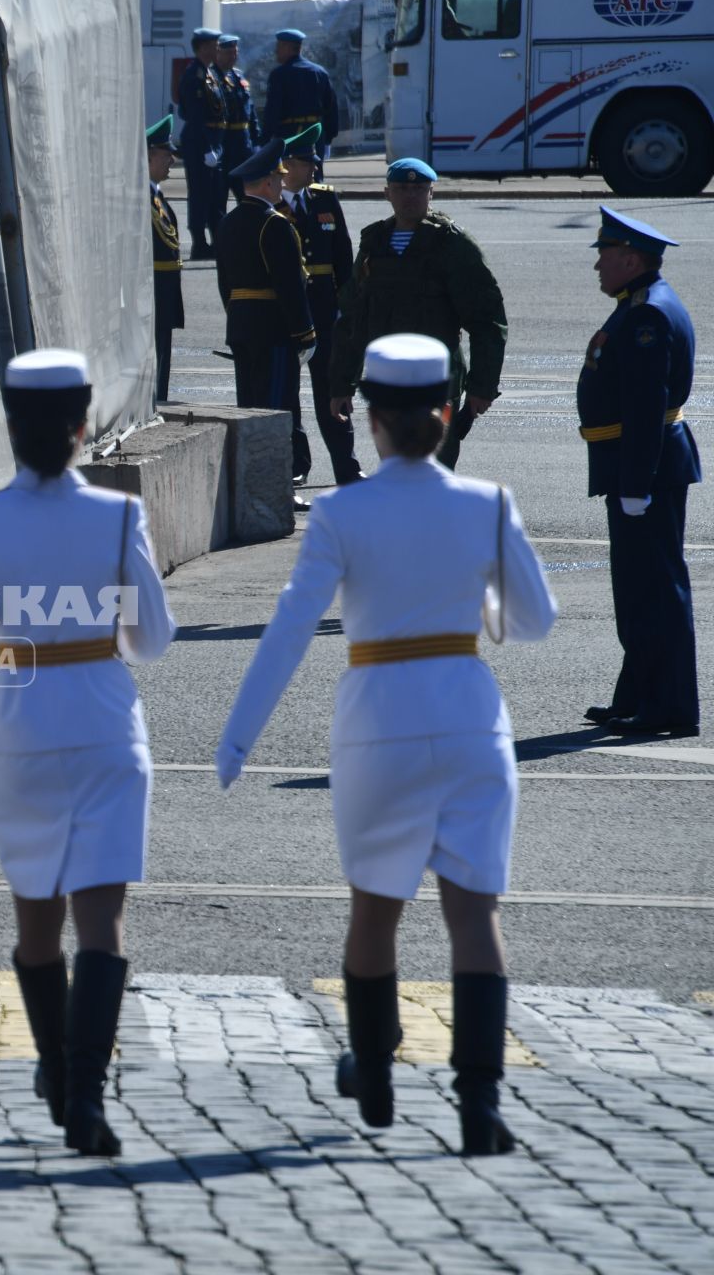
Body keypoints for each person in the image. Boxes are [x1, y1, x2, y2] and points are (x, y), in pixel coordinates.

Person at [215, 334, 557, 1157]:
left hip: (379, 723)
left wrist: (237, 739)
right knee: (474, 916)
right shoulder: (488, 501)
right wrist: (484, 615)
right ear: (446, 413)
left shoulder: (342, 510)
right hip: (471, 716)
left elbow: (291, 631)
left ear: (370, 421)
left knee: (376, 909)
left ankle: (373, 1072)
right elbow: (536, 620)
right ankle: (480, 1104)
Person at [0, 349, 175, 1155]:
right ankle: (86, 1096)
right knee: (103, 924)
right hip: (101, 717)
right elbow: (154, 637)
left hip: (19, 724)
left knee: (37, 920)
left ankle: (57, 1066)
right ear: (81, 423)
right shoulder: (115, 514)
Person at [578, 209, 701, 737]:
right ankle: (636, 696)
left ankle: (668, 706)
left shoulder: (647, 315)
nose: (598, 267)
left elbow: (647, 409)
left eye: (604, 256)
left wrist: (634, 487)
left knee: (654, 592)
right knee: (637, 590)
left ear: (630, 258)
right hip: (637, 466)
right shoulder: (639, 304)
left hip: (643, 471)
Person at [331, 159, 508, 472]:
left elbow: (486, 319)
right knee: (395, 469)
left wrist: (482, 387)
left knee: (435, 469)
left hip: (436, 382)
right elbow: (353, 318)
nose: (410, 195)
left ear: (431, 193)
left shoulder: (452, 244)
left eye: (418, 188)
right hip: (388, 380)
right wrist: (341, 383)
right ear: (387, 193)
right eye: (401, 188)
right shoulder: (375, 243)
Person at [216, 139, 318, 510]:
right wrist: (305, 333)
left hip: (243, 327)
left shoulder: (227, 222)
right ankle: (278, 489)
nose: (281, 182)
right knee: (277, 410)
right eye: (277, 177)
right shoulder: (274, 225)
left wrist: (239, 320)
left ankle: (251, 486)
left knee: (250, 406)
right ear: (266, 183)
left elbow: (225, 284)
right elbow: (290, 286)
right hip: (274, 330)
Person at [282, 124, 363, 486]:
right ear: (286, 165)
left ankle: (346, 465)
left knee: (334, 390)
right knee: (288, 398)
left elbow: (344, 258)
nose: (313, 168)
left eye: (314, 161)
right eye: (305, 162)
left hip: (326, 313)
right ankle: (297, 465)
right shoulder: (271, 203)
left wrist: (346, 305)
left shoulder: (324, 199)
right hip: (289, 313)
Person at [175, 28, 227, 259]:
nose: (218, 49)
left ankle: (216, 241)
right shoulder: (193, 75)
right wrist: (207, 148)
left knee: (215, 194)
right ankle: (199, 243)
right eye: (214, 45)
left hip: (212, 142)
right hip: (199, 144)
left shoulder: (210, 73)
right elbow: (194, 115)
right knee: (199, 194)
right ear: (203, 47)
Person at [148, 116, 185, 403]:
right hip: (152, 294)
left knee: (163, 358)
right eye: (165, 154)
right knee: (153, 360)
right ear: (149, 156)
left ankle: (158, 402)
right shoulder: (141, 198)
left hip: (164, 293)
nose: (171, 160)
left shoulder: (156, 198)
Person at [263, 29, 339, 152]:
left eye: (278, 47)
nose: (275, 51)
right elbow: (331, 107)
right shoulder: (319, 72)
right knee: (314, 169)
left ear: (287, 47)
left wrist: (265, 139)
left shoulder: (279, 75)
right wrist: (329, 137)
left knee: (292, 169)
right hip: (315, 132)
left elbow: (273, 109)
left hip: (290, 134)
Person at [215, 35, 259, 211]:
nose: (233, 57)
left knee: (248, 196)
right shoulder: (212, 78)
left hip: (243, 147)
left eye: (235, 53)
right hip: (225, 146)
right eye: (228, 53)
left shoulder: (238, 75)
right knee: (219, 198)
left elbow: (250, 110)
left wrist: (256, 140)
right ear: (218, 53)